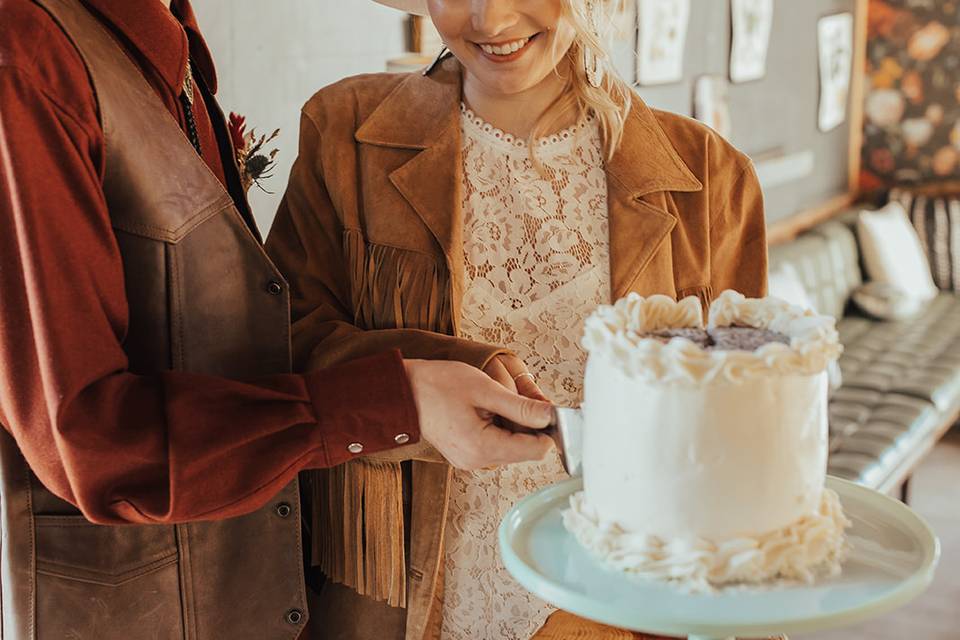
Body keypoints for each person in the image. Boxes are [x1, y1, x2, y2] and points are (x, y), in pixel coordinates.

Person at [0, 1, 554, 638]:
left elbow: (214, 335)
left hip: (247, 592)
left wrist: (424, 368)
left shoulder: (162, 31)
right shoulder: (28, 56)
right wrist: (400, 402)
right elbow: (90, 446)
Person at [266, 0, 768, 638]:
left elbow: (743, 420)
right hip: (404, 599)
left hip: (616, 602)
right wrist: (434, 380)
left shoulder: (710, 177)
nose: (490, 19)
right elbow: (284, 342)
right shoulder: (345, 131)